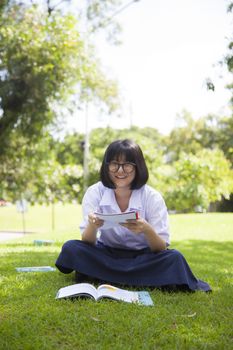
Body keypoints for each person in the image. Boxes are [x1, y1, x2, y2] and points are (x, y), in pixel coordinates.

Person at [55, 139, 211, 292]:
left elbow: (161, 248)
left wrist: (147, 229)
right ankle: (145, 279)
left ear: (138, 168)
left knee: (174, 257)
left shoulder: (152, 197)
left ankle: (99, 274)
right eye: (114, 164)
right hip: (106, 254)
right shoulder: (95, 192)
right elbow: (87, 241)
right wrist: (92, 225)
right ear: (106, 167)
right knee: (72, 247)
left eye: (127, 165)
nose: (120, 170)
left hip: (144, 257)